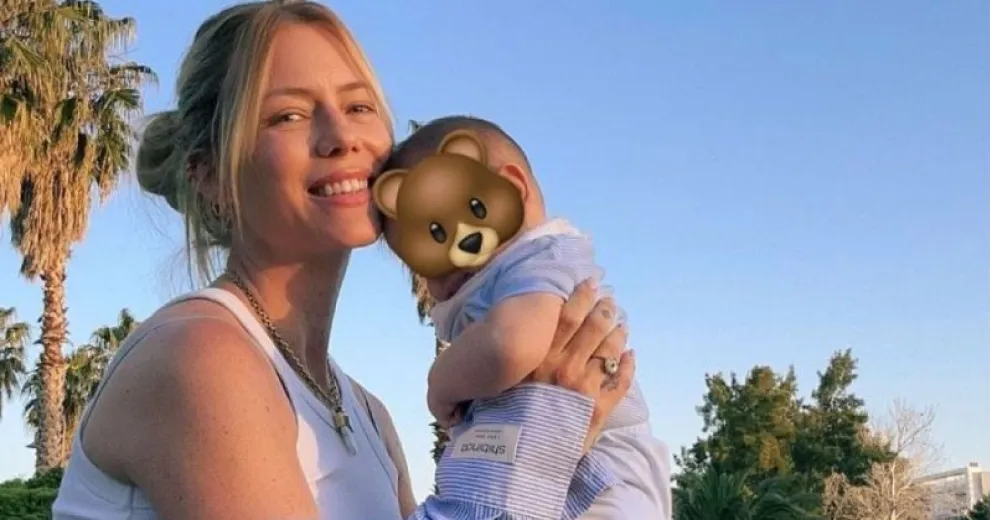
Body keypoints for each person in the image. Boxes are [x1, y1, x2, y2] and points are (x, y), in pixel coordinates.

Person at [50, 2, 640, 519]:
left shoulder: (368, 416)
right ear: (209, 176)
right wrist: (538, 428)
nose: (341, 136)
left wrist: (557, 440)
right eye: (288, 115)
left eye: (359, 106)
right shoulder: (201, 356)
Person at [375, 116, 673, 519]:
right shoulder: (507, 272)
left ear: (513, 189)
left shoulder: (538, 258)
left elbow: (513, 345)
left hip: (603, 472)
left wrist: (440, 385)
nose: (443, 270)